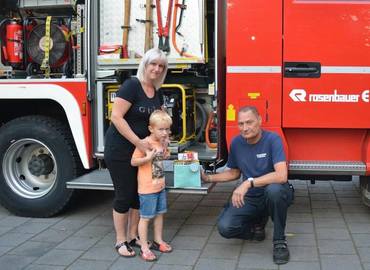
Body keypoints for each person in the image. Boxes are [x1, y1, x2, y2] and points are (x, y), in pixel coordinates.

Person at [201, 106, 294, 265]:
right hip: (251, 198)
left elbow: (281, 175)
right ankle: (256, 229)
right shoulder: (237, 143)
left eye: (249, 122)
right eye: (241, 124)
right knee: (225, 227)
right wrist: (208, 178)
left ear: (259, 120)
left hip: (271, 193)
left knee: (275, 191)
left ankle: (279, 241)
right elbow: (234, 173)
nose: (245, 128)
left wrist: (248, 183)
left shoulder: (273, 140)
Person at [104, 48, 168, 257]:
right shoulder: (132, 85)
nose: (157, 69)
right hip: (121, 150)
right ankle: (120, 240)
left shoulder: (156, 92)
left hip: (143, 154)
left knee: (137, 196)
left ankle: (133, 236)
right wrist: (139, 143)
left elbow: (158, 123)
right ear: (145, 64)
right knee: (124, 196)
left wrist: (164, 145)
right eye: (153, 64)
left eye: (161, 66)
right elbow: (116, 117)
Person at [131, 110, 173, 261]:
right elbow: (133, 161)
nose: (165, 132)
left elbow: (163, 156)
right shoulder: (145, 143)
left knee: (160, 214)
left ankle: (158, 240)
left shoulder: (162, 142)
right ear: (151, 129)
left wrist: (166, 151)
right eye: (161, 129)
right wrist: (147, 158)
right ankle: (144, 247)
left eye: (167, 129)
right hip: (148, 189)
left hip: (160, 186)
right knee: (146, 217)